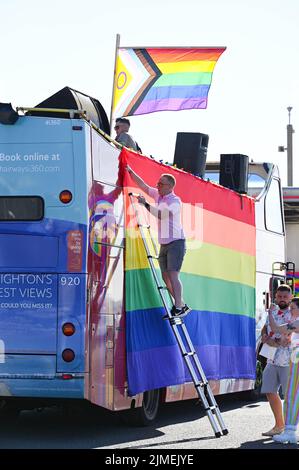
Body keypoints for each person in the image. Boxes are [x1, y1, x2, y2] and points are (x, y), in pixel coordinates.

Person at [126, 165, 190, 317]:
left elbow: (162, 215)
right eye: (158, 183)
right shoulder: (158, 195)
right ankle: (181, 304)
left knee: (173, 275)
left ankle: (179, 307)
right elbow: (143, 185)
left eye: (160, 184)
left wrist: (145, 204)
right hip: (165, 243)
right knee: (165, 276)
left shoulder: (175, 201)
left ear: (169, 186)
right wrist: (130, 170)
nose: (157, 186)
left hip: (176, 242)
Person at [260, 284, 293, 437]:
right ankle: (279, 425)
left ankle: (290, 428)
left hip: (289, 361)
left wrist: (274, 341)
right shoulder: (272, 311)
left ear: (290, 298)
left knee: (289, 396)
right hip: (272, 359)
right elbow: (266, 328)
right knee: (269, 391)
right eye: (279, 296)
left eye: (285, 297)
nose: (282, 299)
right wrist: (265, 336)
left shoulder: (293, 314)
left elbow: (285, 338)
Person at [268, 297, 299, 444]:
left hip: (296, 358)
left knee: (292, 395)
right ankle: (289, 430)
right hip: (294, 358)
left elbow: (276, 329)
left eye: (293, 308)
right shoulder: (295, 324)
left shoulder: (297, 323)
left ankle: (290, 431)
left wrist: (270, 314)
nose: (290, 310)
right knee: (292, 395)